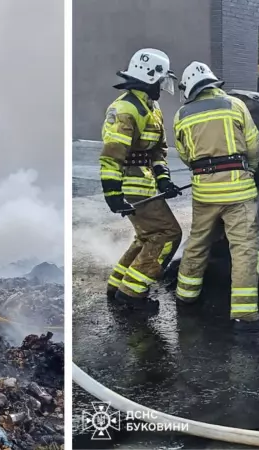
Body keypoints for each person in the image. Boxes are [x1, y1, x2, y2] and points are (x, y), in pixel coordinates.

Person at [172, 61, 259, 332]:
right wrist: (249, 169)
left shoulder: (182, 115)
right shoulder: (234, 105)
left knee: (197, 243)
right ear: (213, 82)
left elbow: (184, 155)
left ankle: (185, 296)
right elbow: (254, 144)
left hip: (204, 193)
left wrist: (205, 172)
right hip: (238, 192)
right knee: (243, 249)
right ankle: (244, 315)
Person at [100, 48, 183, 312]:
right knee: (168, 233)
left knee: (147, 235)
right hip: (133, 186)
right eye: (162, 80)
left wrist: (164, 180)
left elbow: (158, 151)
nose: (163, 87)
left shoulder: (151, 107)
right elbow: (112, 156)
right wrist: (113, 194)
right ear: (151, 76)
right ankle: (133, 295)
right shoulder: (125, 108)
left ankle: (117, 286)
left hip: (146, 186)